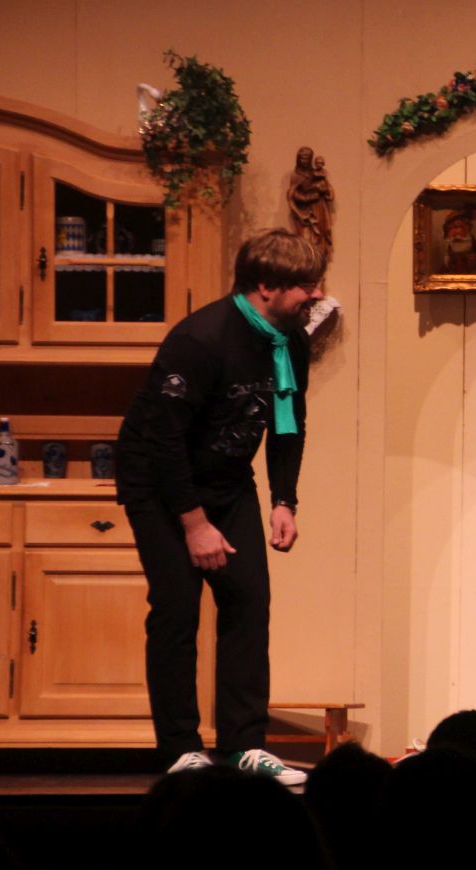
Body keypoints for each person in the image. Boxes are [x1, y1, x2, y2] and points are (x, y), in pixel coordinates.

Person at [115, 229, 325, 785]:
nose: (315, 294)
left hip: (227, 480)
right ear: (266, 286)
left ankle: (244, 745)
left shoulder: (289, 343)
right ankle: (180, 748)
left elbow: (289, 426)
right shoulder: (200, 339)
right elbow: (163, 441)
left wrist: (284, 500)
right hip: (159, 484)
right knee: (177, 609)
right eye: (305, 285)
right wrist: (194, 523)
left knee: (248, 602)